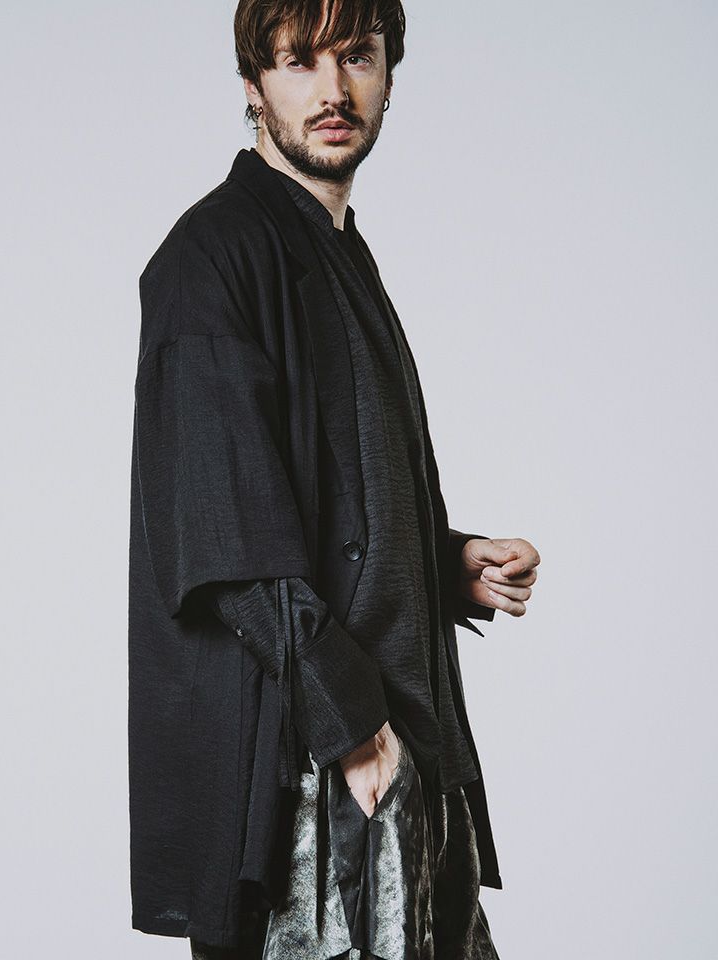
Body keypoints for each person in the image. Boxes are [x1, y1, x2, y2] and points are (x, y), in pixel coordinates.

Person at [128, 1, 541, 957]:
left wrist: (448, 562)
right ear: (252, 85)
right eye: (299, 61)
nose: (333, 90)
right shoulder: (210, 261)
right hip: (316, 770)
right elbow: (225, 539)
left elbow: (328, 500)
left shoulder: (338, 250)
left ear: (390, 75)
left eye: (357, 56)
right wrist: (356, 732)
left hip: (406, 751)